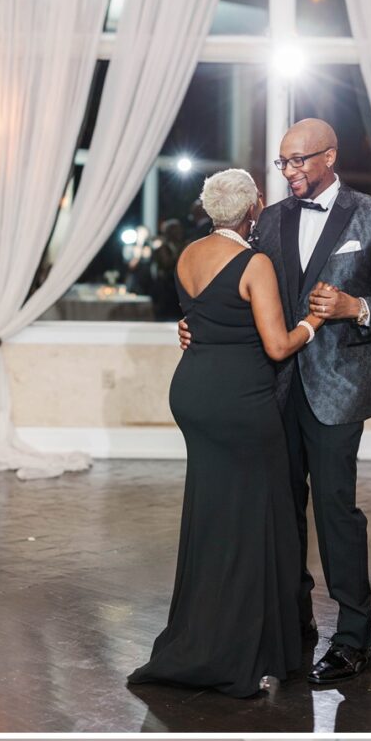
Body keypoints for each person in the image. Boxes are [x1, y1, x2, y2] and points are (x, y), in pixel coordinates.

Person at [177, 123, 371, 687]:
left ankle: (354, 640)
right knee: (281, 512)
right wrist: (195, 324)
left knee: (336, 513)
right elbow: (236, 286)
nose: (288, 173)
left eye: (299, 162)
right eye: (282, 163)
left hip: (339, 390)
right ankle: (293, 625)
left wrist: (354, 305)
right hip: (272, 389)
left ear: (330, 156)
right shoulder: (272, 220)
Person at [130, 167, 325, 699]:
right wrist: (316, 320)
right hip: (241, 403)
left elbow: (201, 319)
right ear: (254, 207)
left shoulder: (189, 254)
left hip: (192, 395)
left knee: (212, 514)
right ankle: (243, 648)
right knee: (258, 521)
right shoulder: (254, 262)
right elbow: (278, 346)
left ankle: (200, 634)